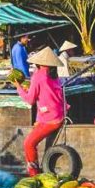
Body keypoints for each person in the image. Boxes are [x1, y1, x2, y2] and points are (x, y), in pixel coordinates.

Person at [15, 48, 67, 176]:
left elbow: (30, 100)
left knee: (28, 143)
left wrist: (18, 87)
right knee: (33, 135)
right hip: (58, 114)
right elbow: (45, 93)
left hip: (50, 119)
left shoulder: (38, 76)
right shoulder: (53, 75)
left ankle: (34, 174)